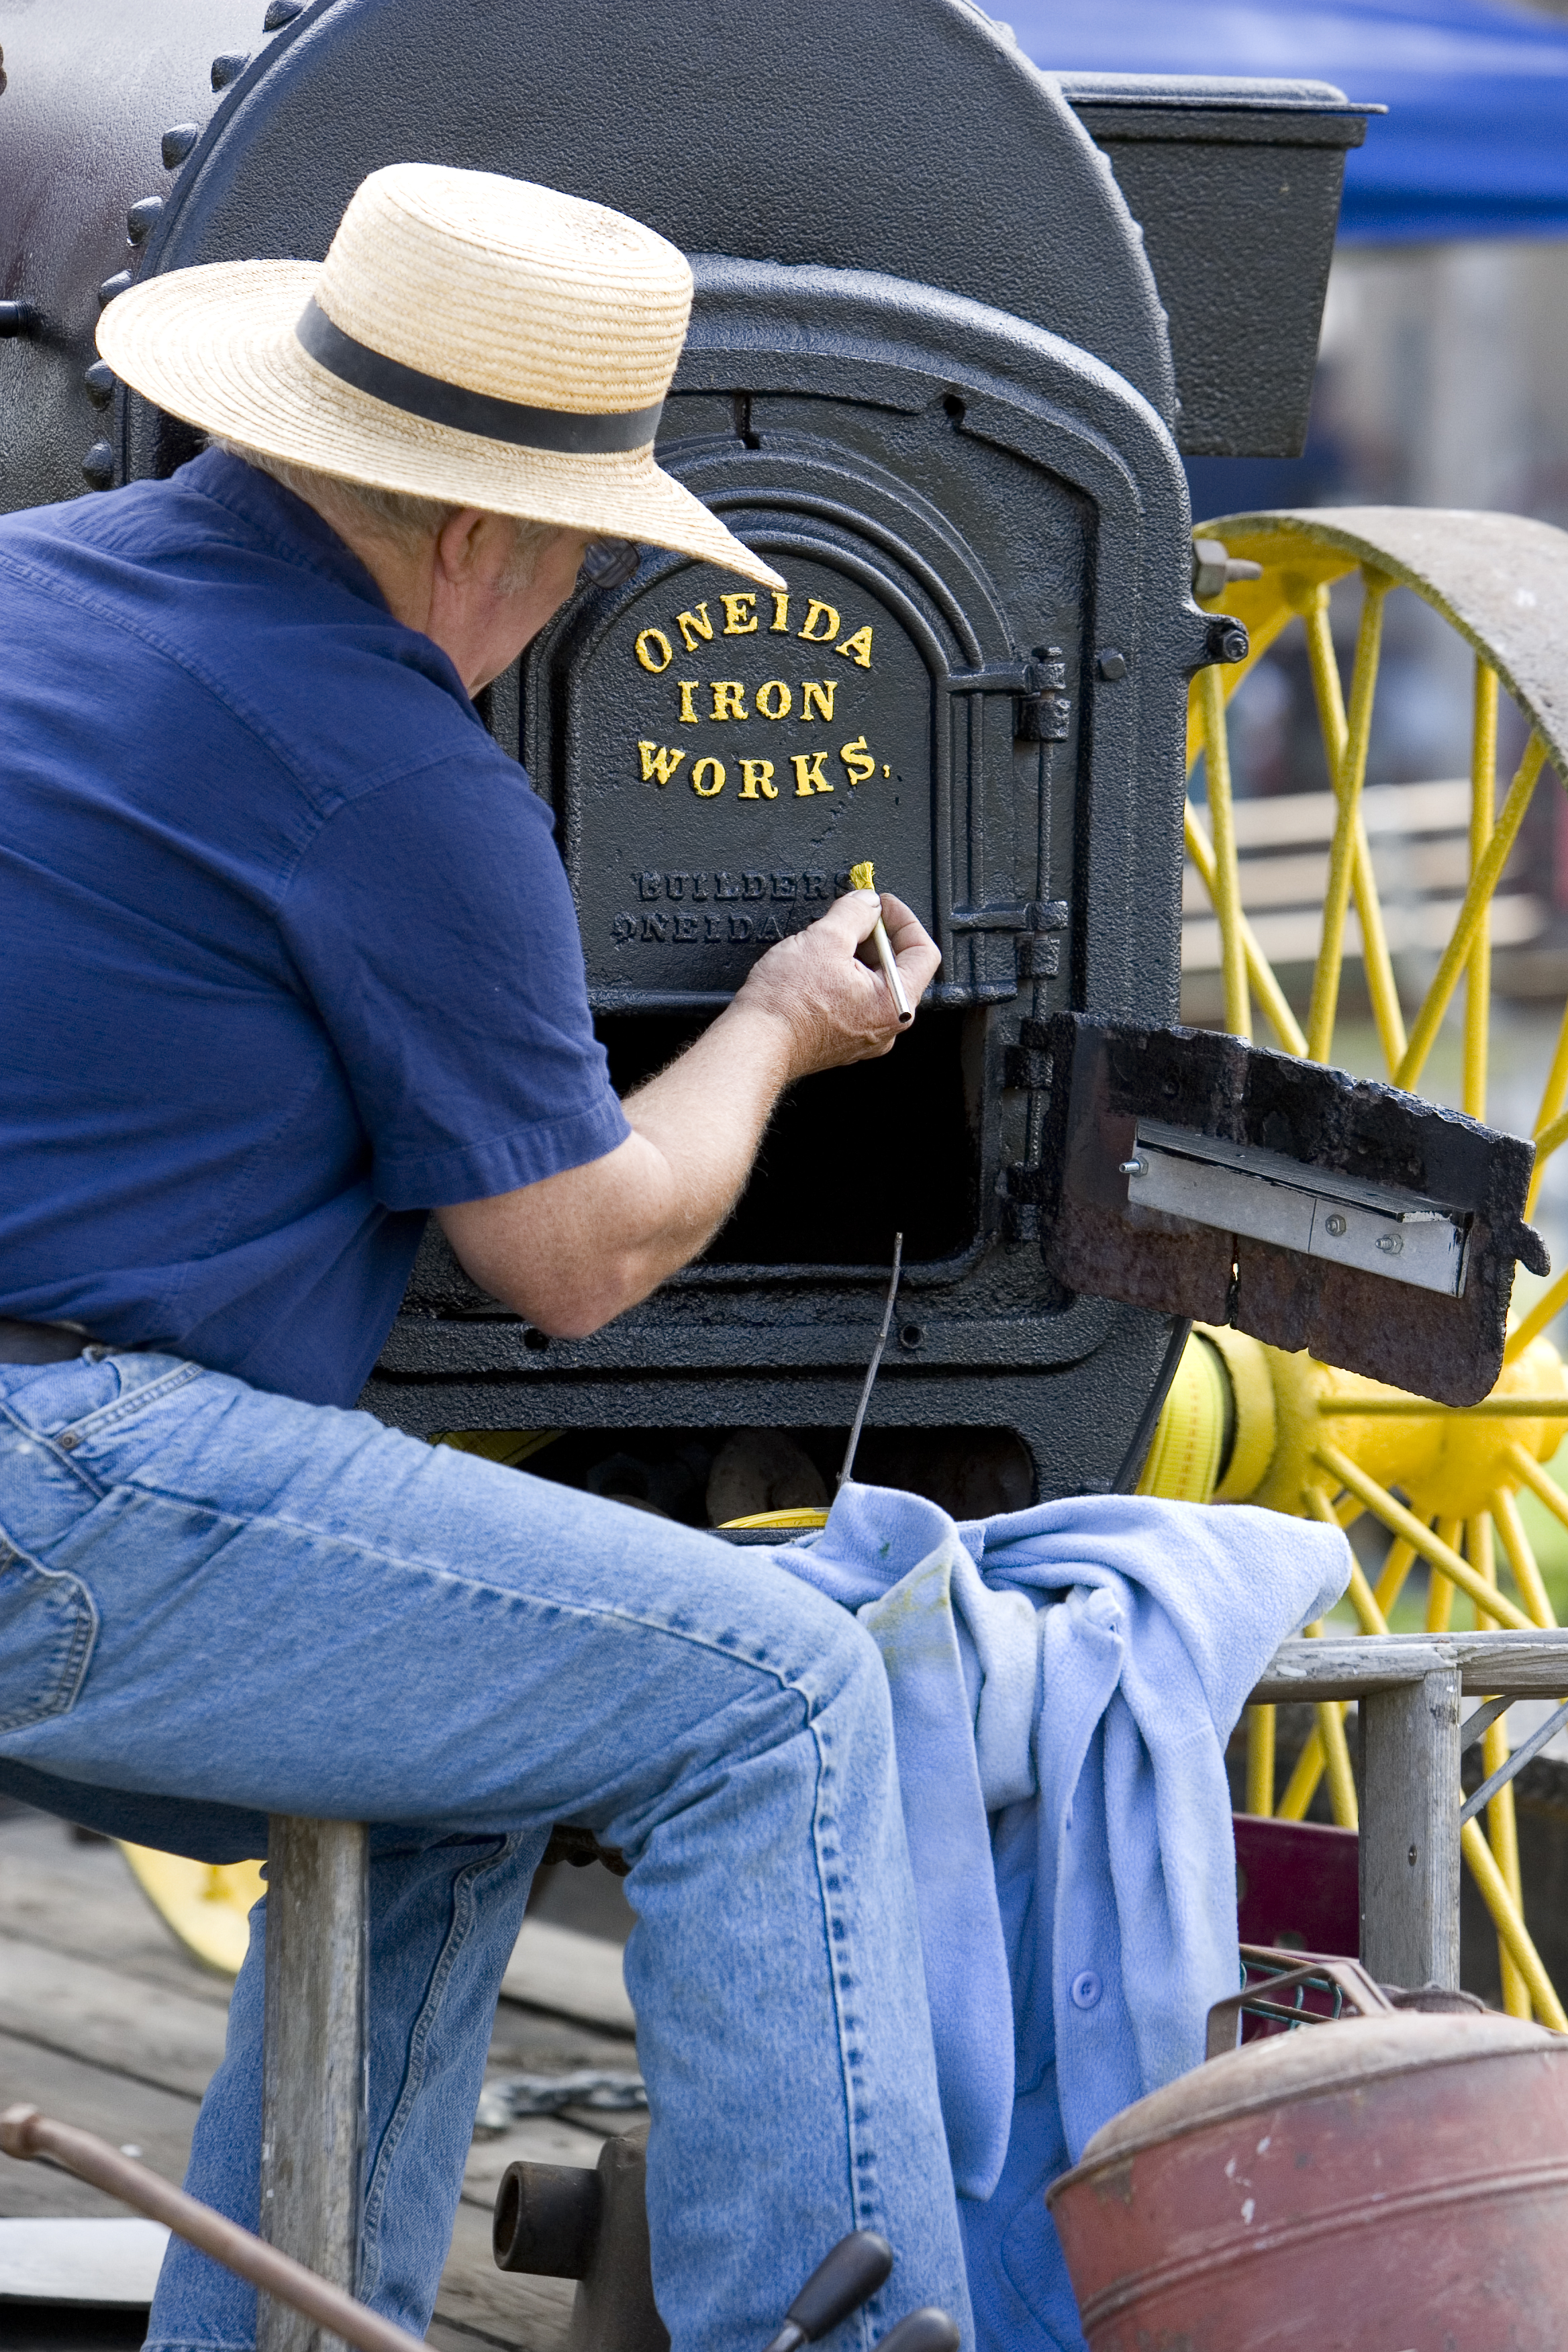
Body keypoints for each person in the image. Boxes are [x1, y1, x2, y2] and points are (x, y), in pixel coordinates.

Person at [0, 164, 968, 2352]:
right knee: (776, 1690)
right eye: (584, 560)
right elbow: (580, 1258)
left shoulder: (24, 589)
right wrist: (780, 1027)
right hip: (56, 1495)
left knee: (476, 1754)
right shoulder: (394, 773)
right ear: (475, 533)